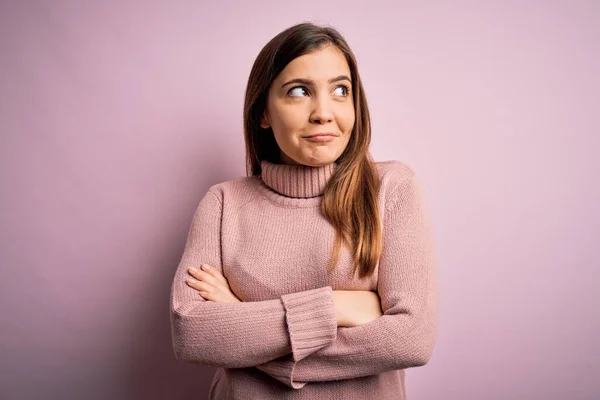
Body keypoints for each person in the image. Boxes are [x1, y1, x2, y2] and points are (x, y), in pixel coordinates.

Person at [169, 21, 438, 400]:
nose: (323, 113)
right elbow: (192, 333)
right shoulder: (223, 203)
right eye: (299, 91)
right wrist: (333, 305)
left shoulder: (392, 190)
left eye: (340, 90)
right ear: (263, 112)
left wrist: (244, 323)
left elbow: (410, 340)